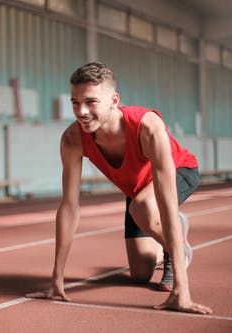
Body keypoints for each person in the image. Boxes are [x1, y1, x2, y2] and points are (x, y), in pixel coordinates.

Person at [27, 62, 212, 314]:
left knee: (145, 207)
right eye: (75, 102)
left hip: (179, 171)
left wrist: (183, 289)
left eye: (90, 102)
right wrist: (56, 280)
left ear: (114, 100)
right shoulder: (72, 139)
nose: (81, 111)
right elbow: (69, 207)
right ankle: (166, 244)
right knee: (139, 274)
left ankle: (174, 244)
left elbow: (165, 201)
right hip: (137, 191)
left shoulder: (147, 127)